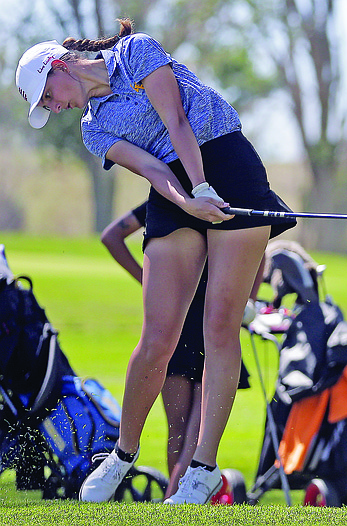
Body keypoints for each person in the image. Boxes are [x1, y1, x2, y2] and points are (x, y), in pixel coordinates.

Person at [16, 18, 296, 504]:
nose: (54, 107)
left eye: (48, 96)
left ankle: (203, 468)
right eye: (46, 106)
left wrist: (205, 188)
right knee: (157, 337)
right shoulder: (92, 127)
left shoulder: (136, 52)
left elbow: (178, 122)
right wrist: (189, 202)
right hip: (171, 184)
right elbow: (149, 165)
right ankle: (122, 455)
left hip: (225, 160)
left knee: (219, 326)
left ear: (58, 65)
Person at [100, 201, 258, 497]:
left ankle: (176, 498)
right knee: (186, 432)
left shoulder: (179, 197)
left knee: (185, 431)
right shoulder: (175, 199)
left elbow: (111, 236)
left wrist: (156, 285)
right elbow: (111, 236)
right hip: (201, 324)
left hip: (198, 324)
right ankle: (179, 499)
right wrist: (149, 282)